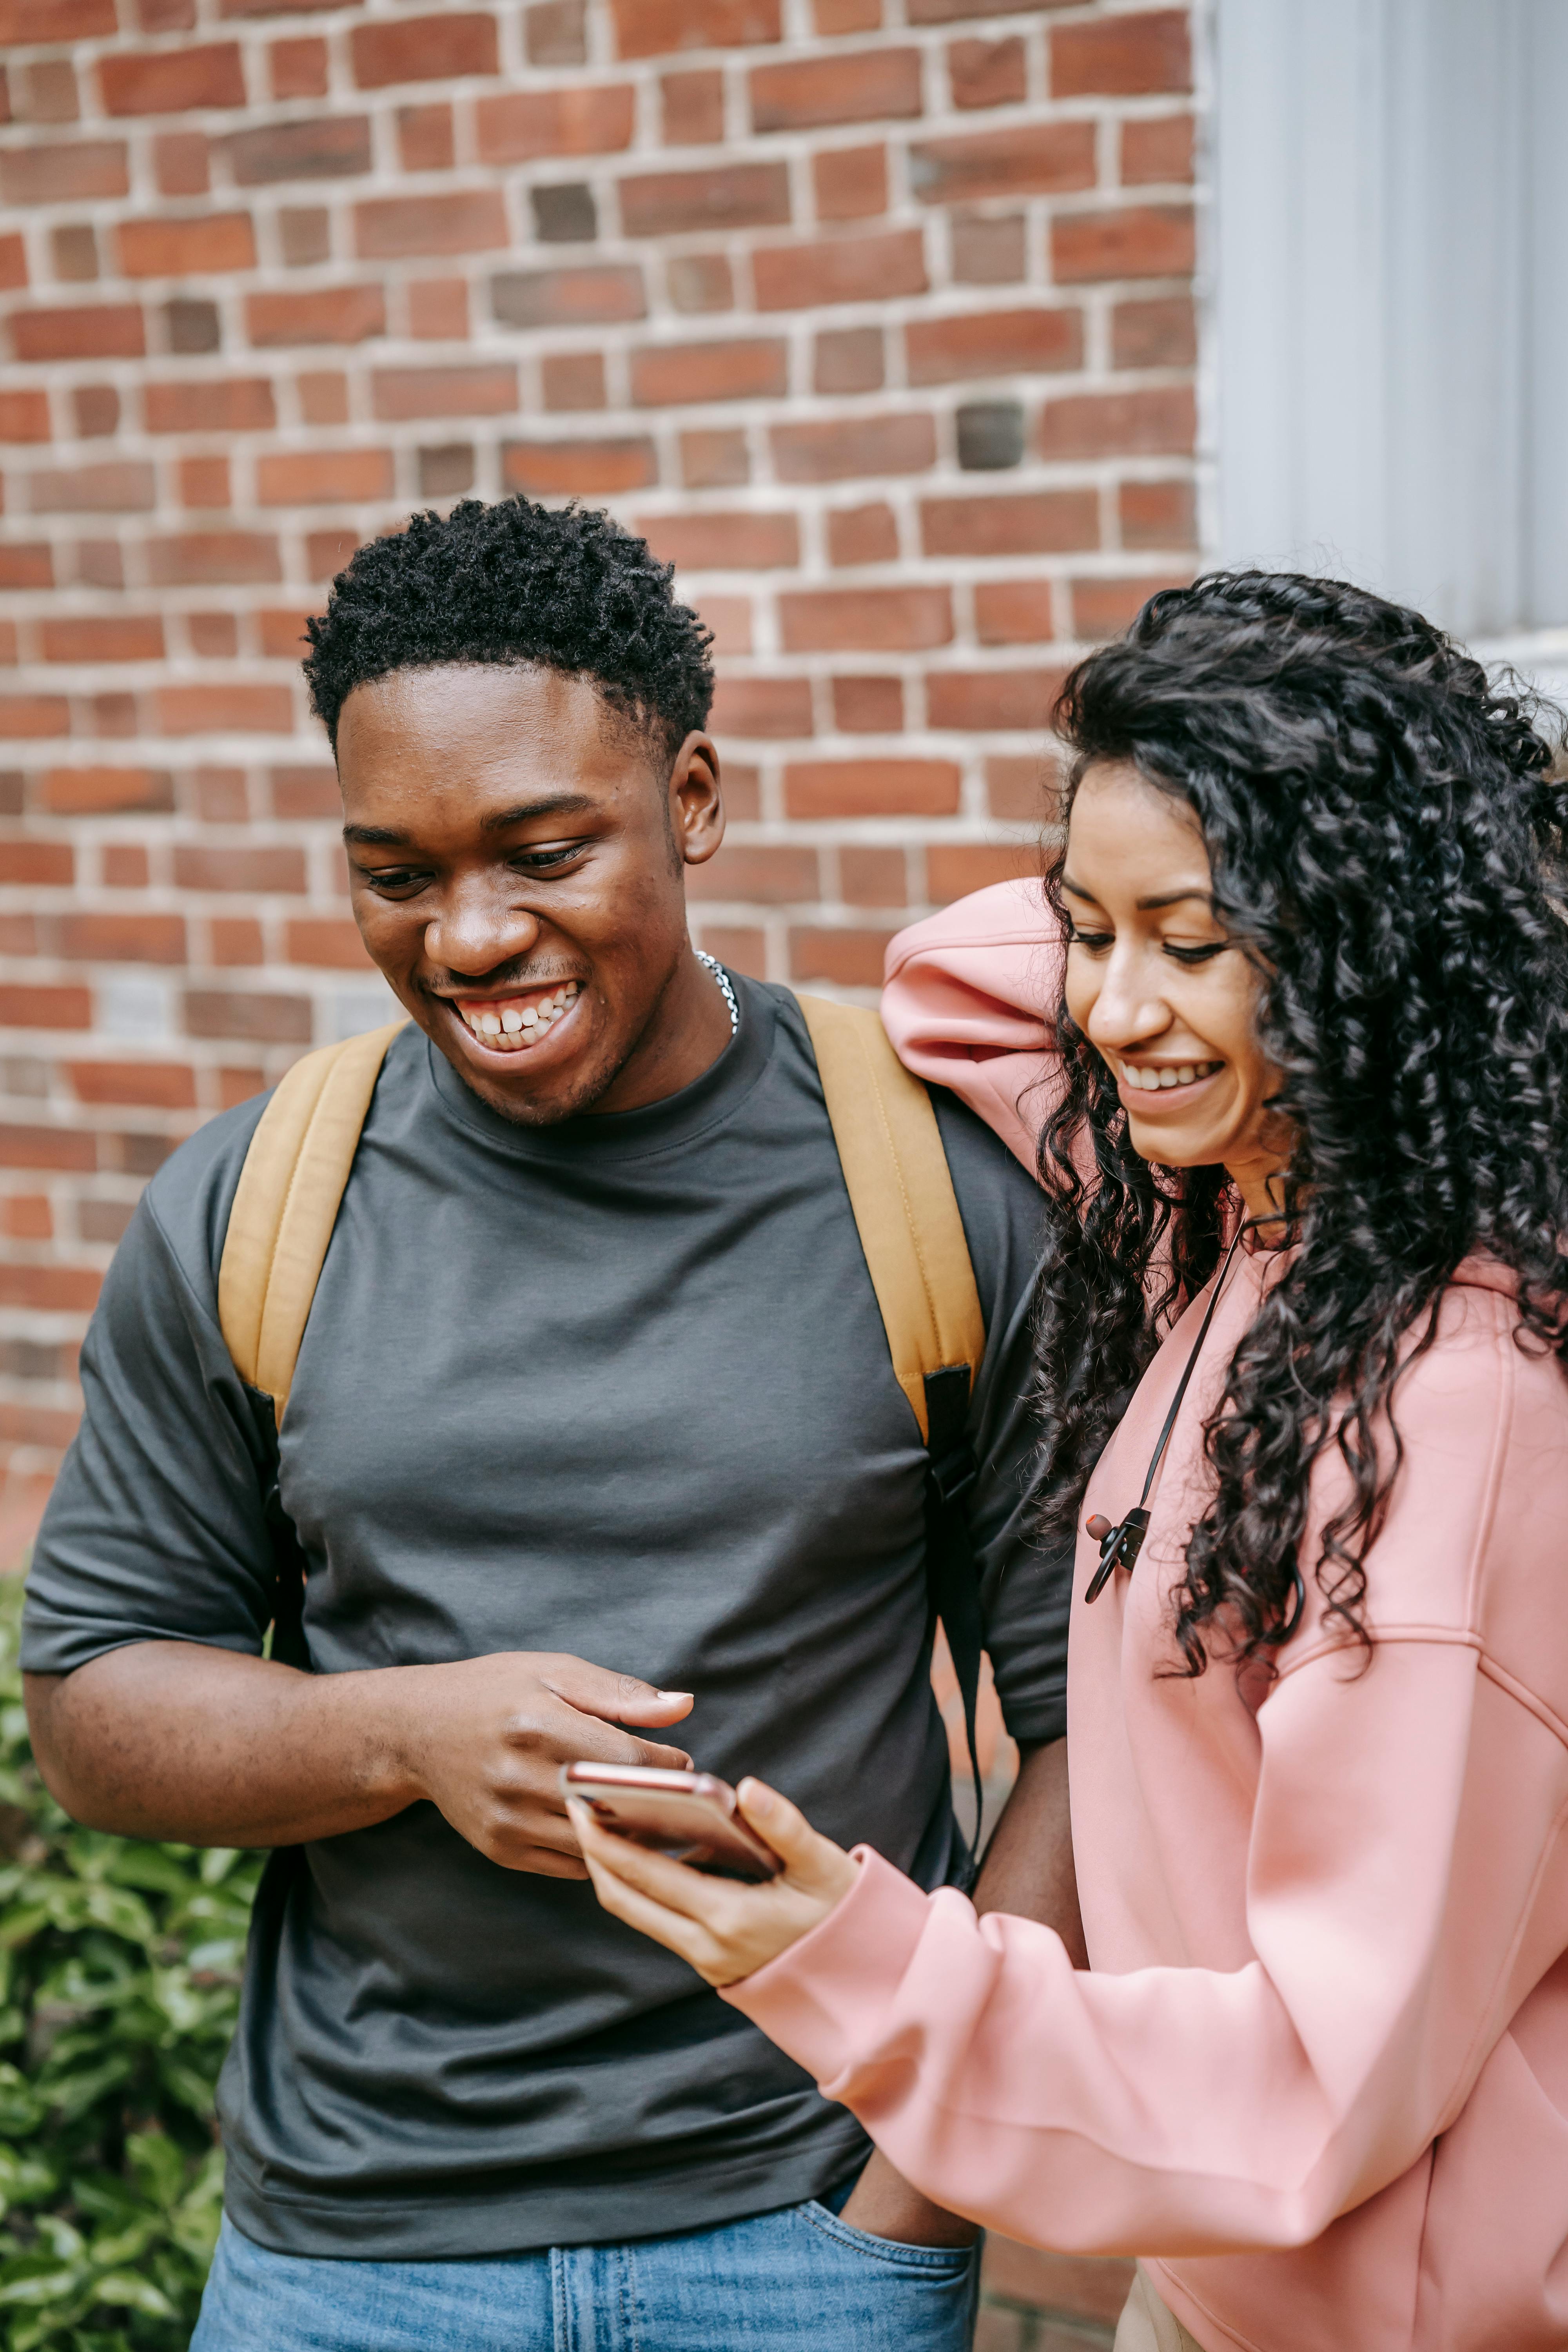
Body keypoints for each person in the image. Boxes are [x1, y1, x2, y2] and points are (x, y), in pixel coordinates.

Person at [19, 497, 1081, 2352]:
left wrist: (917, 2171)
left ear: (693, 797)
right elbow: (99, 1708)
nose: (472, 937)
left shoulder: (934, 1187)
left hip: (805, 2225)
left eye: (542, 850)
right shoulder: (258, 1201)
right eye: (396, 874)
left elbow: (1097, 1726)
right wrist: (406, 1735)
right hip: (351, 2255)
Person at [572, 572, 1568, 2352]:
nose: (1110, 1013)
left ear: (1364, 948)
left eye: (1190, 942)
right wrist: (1181, 872)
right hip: (1223, 2266)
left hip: (1384, 2308)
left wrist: (856, 1959)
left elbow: (1311, 2081)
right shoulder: (1238, 1208)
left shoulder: (1455, 1408)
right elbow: (953, 985)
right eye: (1089, 931)